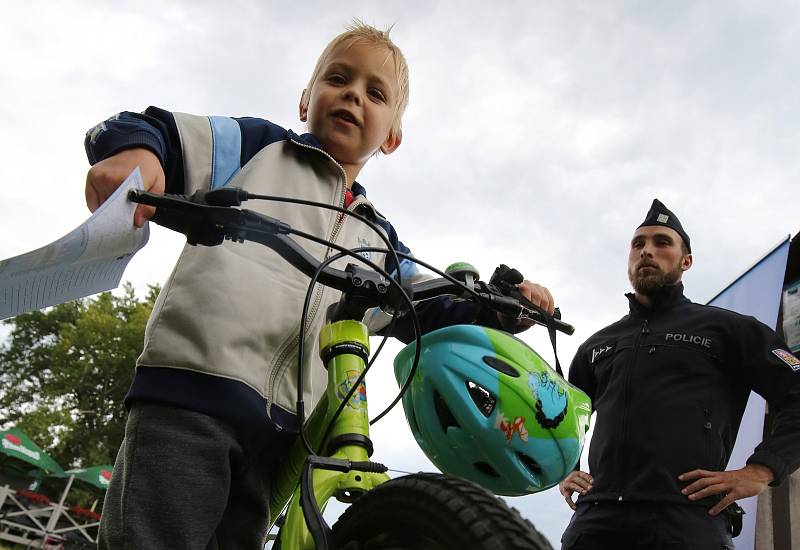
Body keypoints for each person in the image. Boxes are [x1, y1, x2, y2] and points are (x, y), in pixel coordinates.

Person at [83, 22, 555, 550]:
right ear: (307, 98)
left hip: (283, 435)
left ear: (392, 136)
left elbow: (424, 304)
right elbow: (148, 128)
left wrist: (499, 310)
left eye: (376, 94)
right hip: (191, 395)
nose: (354, 94)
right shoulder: (258, 149)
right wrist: (138, 157)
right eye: (338, 79)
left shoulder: (376, 235)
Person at [558, 199, 800, 549]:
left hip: (687, 522)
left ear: (686, 261)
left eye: (661, 242)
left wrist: (762, 470)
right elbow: (560, 417)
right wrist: (563, 469)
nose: (647, 251)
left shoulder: (728, 330)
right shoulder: (597, 345)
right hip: (596, 523)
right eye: (638, 244)